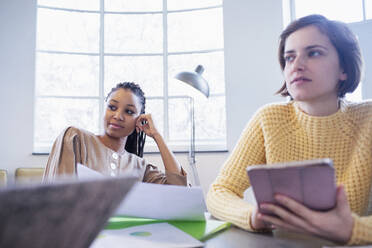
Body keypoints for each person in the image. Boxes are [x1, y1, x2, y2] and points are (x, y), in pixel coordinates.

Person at [206, 14, 372, 245]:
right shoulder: (269, 119)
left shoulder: (369, 120)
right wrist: (252, 217)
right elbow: (219, 191)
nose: (297, 65)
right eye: (289, 57)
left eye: (313, 53)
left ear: (344, 68)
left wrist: (354, 229)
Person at [43, 82, 187, 185]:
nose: (118, 116)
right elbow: (57, 195)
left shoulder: (140, 167)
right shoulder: (76, 138)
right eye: (112, 107)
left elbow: (180, 192)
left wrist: (157, 136)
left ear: (139, 121)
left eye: (129, 111)